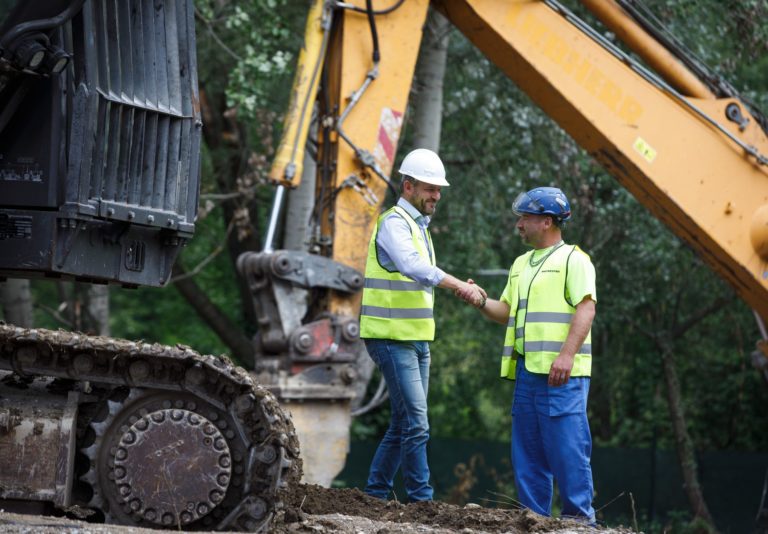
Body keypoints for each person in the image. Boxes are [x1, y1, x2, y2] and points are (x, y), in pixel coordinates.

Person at [457, 186, 596, 522]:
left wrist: (566, 356)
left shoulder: (574, 260)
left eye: (525, 218)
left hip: (563, 374)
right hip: (527, 374)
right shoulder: (521, 264)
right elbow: (506, 311)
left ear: (547, 222)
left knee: (568, 449)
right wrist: (477, 299)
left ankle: (580, 521)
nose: (519, 224)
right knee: (528, 454)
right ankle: (534, 520)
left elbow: (586, 309)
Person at [359, 148, 484, 502]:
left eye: (439, 190)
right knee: (417, 424)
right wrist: (459, 284)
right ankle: (421, 501)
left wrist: (457, 284)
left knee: (403, 424)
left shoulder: (418, 227)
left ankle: (375, 495)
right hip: (390, 337)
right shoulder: (395, 223)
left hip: (415, 340)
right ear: (409, 186)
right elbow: (414, 267)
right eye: (430, 189)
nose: (437, 196)